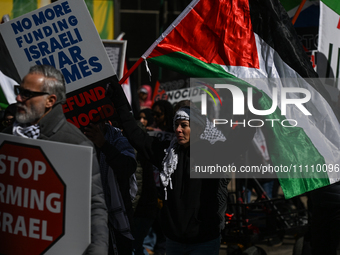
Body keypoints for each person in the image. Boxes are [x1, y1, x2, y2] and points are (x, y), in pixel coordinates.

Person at [109, 82, 256, 255]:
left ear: (199, 127)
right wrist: (119, 100)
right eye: (176, 124)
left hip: (204, 242)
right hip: (174, 242)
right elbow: (136, 135)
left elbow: (239, 141)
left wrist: (253, 110)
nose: (178, 130)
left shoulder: (214, 153)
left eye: (184, 125)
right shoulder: (166, 153)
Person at [2, 64, 108, 254]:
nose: (18, 98)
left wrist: (97, 250)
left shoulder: (75, 144)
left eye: (27, 94)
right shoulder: (6, 136)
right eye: (19, 91)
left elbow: (94, 206)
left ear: (50, 100)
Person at [84, 119, 137, 255]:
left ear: (102, 124)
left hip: (116, 222)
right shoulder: (78, 141)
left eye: (93, 123)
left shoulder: (117, 140)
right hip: (87, 218)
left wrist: (103, 145)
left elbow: (127, 167)